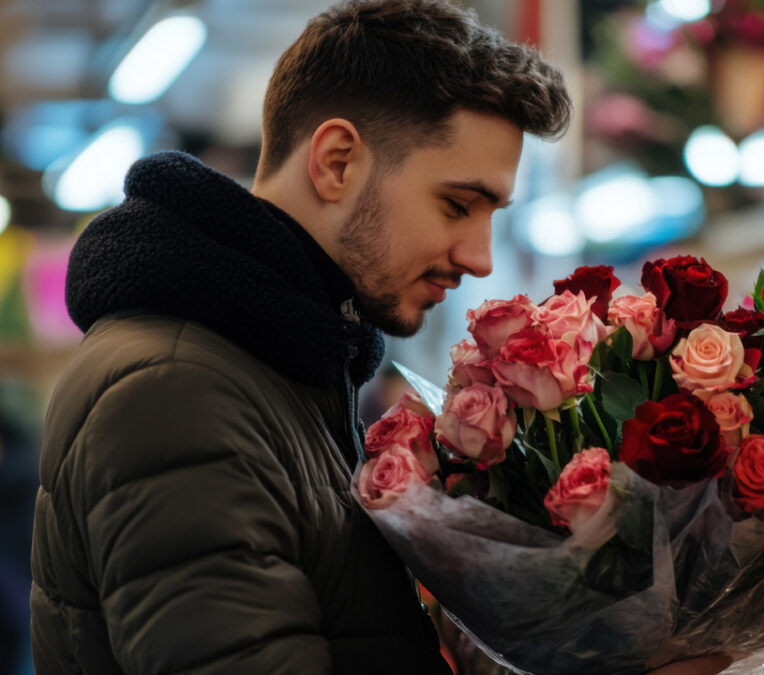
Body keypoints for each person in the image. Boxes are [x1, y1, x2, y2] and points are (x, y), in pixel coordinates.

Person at [29, 1, 570, 673]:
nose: (479, 256)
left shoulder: (287, 368)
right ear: (337, 161)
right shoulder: (178, 395)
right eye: (457, 205)